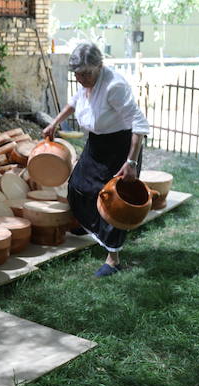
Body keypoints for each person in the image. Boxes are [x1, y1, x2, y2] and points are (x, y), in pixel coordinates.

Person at [42, 42, 150, 277]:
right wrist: (54, 122)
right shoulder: (86, 82)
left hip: (121, 147)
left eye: (86, 73)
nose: (81, 79)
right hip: (97, 144)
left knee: (112, 199)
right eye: (77, 74)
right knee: (78, 185)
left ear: (100, 66)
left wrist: (131, 162)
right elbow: (74, 101)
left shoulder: (114, 86)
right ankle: (89, 224)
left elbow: (139, 124)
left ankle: (113, 260)